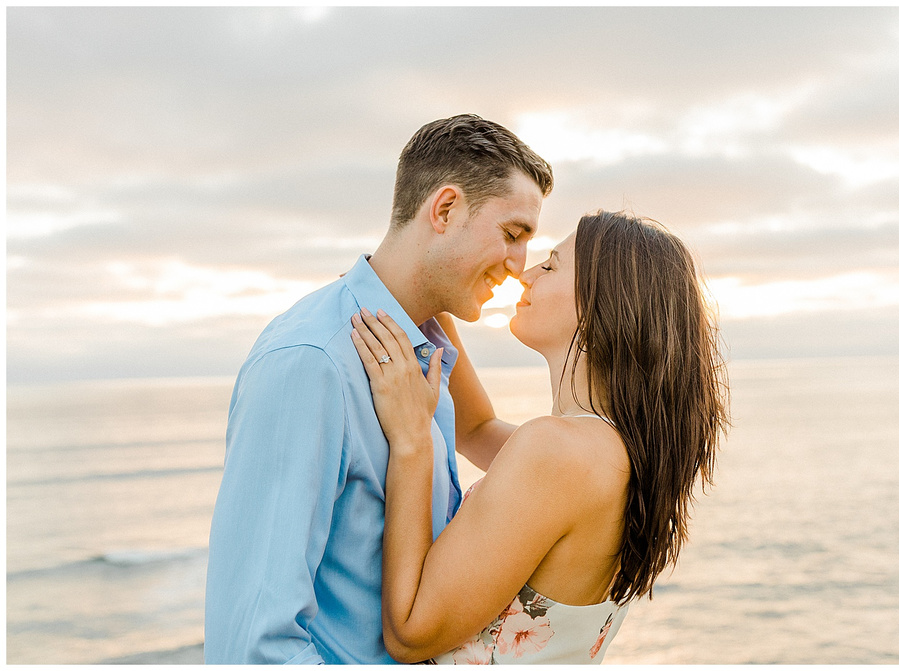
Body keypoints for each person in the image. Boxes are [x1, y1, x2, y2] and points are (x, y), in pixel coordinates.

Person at [204, 114, 553, 664]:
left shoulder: (428, 347)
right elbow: (251, 647)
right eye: (512, 235)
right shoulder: (311, 363)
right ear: (444, 210)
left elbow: (485, 436)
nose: (518, 267)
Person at [350, 209, 730, 664]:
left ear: (597, 307)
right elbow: (476, 429)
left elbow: (411, 633)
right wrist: (425, 295)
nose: (525, 275)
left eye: (550, 266)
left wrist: (411, 440)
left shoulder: (559, 451)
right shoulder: (614, 451)